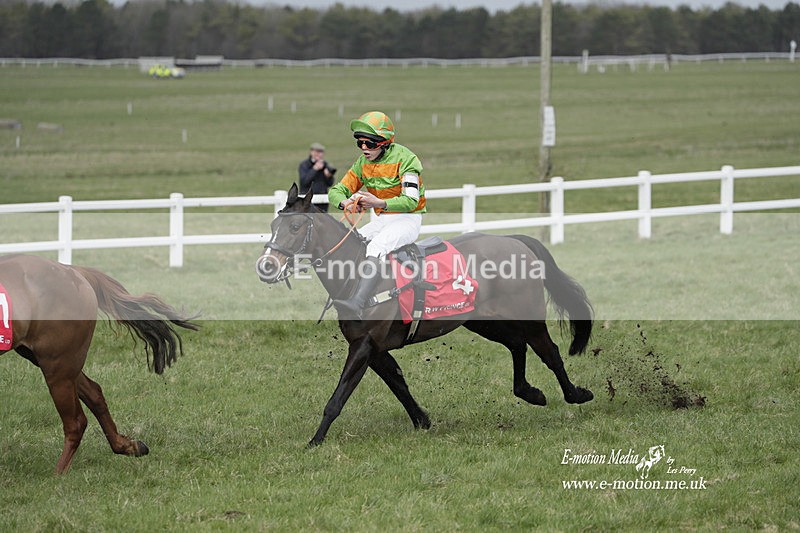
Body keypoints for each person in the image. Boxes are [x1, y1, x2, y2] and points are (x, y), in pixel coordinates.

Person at [328, 111, 426, 318]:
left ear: (384, 143)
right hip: (384, 219)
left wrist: (378, 202)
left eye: (369, 144)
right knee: (354, 242)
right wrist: (345, 203)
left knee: (376, 246)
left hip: (408, 218)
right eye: (360, 143)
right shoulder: (362, 163)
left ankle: (358, 302)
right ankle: (360, 294)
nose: (364, 148)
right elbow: (336, 191)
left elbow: (411, 201)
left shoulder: (406, 159)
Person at [298, 142, 336, 212]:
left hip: (322, 200)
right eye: (316, 152)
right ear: (311, 152)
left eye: (320, 152)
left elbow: (330, 184)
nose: (318, 154)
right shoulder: (304, 165)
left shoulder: (325, 164)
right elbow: (304, 182)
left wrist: (328, 176)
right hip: (308, 199)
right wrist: (314, 169)